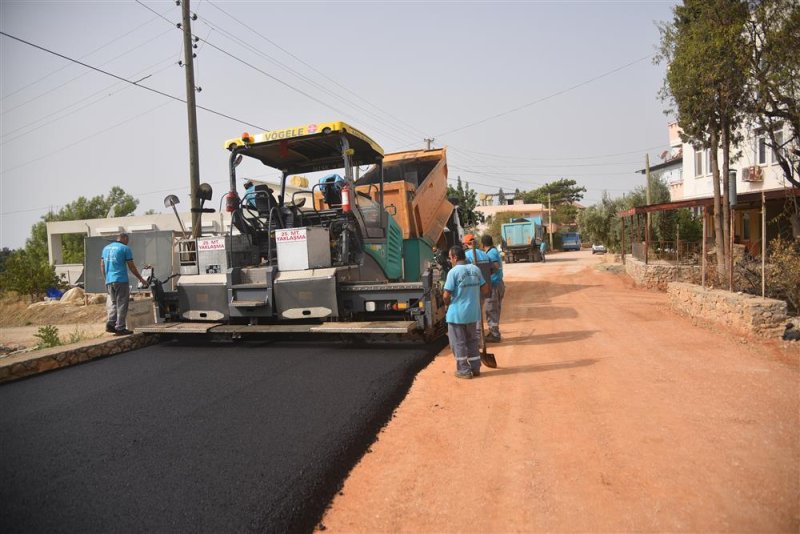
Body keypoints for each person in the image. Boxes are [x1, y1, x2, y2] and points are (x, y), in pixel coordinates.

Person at [443, 245, 489, 379]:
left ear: (455, 257)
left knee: (458, 343)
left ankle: (463, 370)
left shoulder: (453, 272)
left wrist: (447, 303)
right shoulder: (475, 269)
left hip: (457, 314)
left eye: (450, 257)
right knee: (472, 341)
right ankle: (475, 368)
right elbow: (485, 289)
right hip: (473, 313)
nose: (450, 260)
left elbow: (446, 295)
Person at [100, 232, 148, 336]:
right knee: (122, 304)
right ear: (125, 238)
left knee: (113, 303)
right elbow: (131, 266)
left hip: (109, 280)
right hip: (121, 280)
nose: (128, 242)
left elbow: (102, 266)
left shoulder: (106, 249)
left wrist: (106, 279)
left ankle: (111, 324)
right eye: (128, 240)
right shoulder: (125, 248)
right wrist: (141, 279)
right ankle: (120, 327)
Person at [481, 234, 505, 342]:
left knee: (491, 310)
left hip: (494, 285)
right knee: (494, 310)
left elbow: (495, 266)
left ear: (482, 244)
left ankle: (495, 335)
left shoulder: (491, 253)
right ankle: (493, 331)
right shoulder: (494, 251)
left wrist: (486, 273)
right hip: (498, 283)